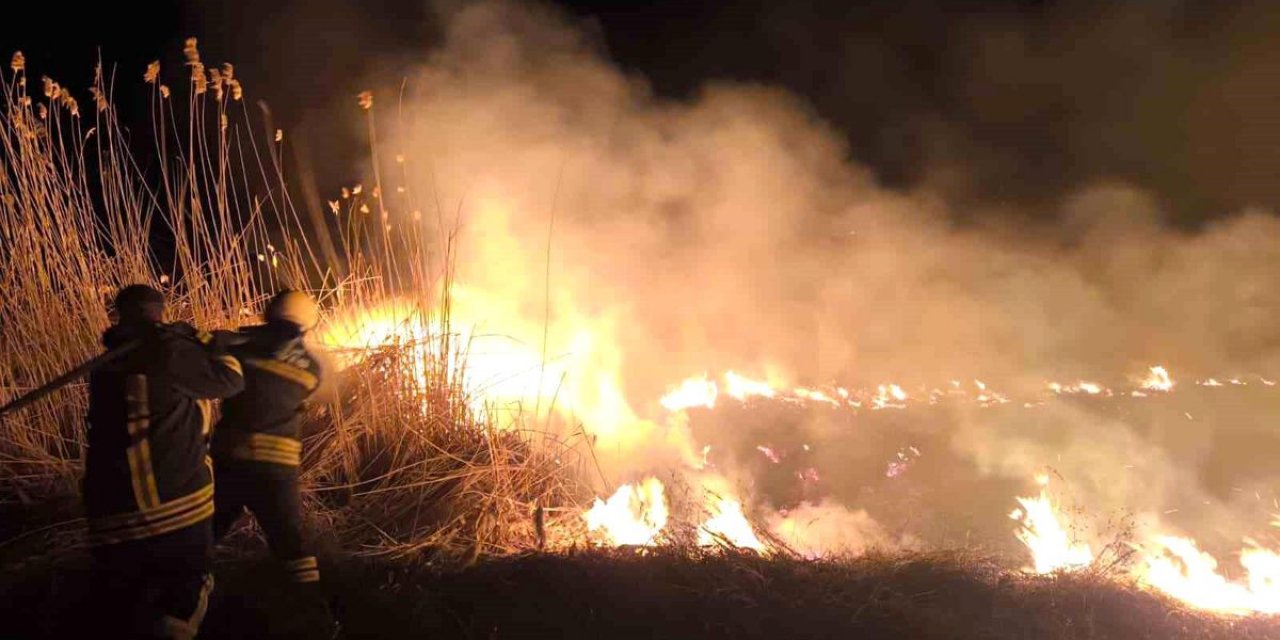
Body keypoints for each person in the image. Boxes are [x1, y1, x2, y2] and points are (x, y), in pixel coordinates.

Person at [84, 284, 245, 639]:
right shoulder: (167, 351)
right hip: (173, 502)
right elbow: (229, 382)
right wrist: (218, 347)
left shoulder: (107, 362)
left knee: (127, 607)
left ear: (119, 315)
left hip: (109, 509)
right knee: (184, 597)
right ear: (159, 311)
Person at [210, 290, 336, 635]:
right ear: (307, 324)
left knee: (205, 536)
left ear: (269, 313)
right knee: (291, 544)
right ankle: (317, 620)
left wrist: (220, 340)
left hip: (231, 459)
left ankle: (177, 615)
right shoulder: (311, 368)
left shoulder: (241, 348)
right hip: (277, 468)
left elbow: (220, 362)